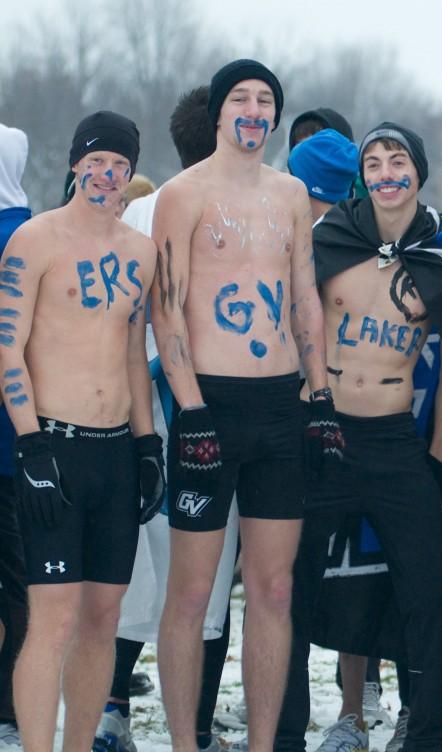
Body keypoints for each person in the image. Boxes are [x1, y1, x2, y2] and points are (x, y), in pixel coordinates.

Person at [150, 59, 333, 752]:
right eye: (241, 98)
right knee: (194, 597)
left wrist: (319, 397)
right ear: (220, 114)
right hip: (209, 406)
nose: (254, 110)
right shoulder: (183, 193)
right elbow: (166, 309)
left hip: (280, 407)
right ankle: (185, 743)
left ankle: (262, 744)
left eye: (266, 100)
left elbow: (304, 295)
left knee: (274, 589)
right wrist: (190, 408)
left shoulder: (290, 194)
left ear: (274, 116)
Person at [278, 120, 442, 752]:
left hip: (394, 439)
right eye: (375, 163)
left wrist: (439, 453)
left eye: (398, 162)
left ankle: (432, 735)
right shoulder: (329, 236)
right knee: (290, 583)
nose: (386, 174)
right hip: (322, 430)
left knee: (431, 587)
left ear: (417, 171)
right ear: (362, 176)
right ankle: (281, 731)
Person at [0, 111, 161, 752]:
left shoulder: (140, 251)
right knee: (52, 616)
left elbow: (132, 355)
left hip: (115, 450)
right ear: (75, 165)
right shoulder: (34, 241)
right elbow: (8, 349)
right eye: (95, 161)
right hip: (54, 450)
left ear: (129, 173)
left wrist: (148, 446)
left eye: (119, 164)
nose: (107, 174)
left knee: (103, 616)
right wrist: (30, 441)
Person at [94, 85, 238, 752]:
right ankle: (195, 727)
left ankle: (113, 709)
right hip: (200, 407)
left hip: (136, 415)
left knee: (141, 569)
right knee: (202, 578)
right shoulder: (234, 209)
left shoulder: (135, 212)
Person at [0, 123, 30, 752]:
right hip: (24, 434)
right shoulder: (39, 230)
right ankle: (9, 701)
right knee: (17, 577)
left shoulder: (23, 238)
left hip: (13, 434)